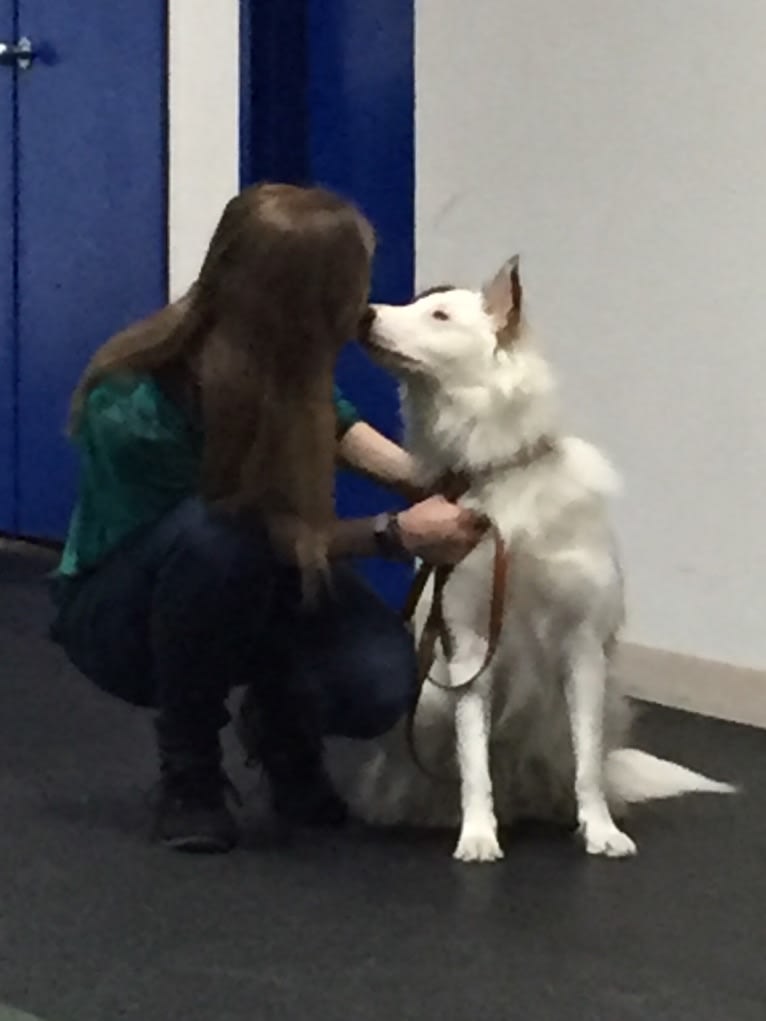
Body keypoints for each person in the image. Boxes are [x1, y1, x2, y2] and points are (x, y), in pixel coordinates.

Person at [49, 183, 484, 854]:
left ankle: (283, 727)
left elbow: (338, 427)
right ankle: (189, 773)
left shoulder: (281, 351)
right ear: (303, 299)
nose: (363, 300)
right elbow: (244, 539)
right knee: (217, 544)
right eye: (352, 281)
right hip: (130, 616)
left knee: (374, 681)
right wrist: (394, 534)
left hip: (255, 572)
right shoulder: (136, 398)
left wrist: (440, 477)